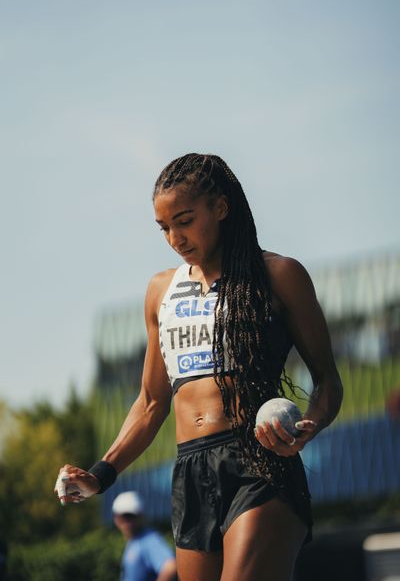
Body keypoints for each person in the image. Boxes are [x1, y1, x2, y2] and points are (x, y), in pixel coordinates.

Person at [55, 153, 343, 581]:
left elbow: (328, 383)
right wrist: (100, 475)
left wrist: (309, 426)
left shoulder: (279, 275)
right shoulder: (160, 290)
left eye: (185, 220)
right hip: (191, 473)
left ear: (221, 208)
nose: (175, 237)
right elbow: (152, 403)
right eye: (164, 227)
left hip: (260, 463)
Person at [112, 491, 177, 581]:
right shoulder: (134, 541)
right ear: (116, 518)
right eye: (124, 516)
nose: (128, 521)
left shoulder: (149, 540)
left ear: (141, 516)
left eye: (131, 516)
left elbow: (170, 566)